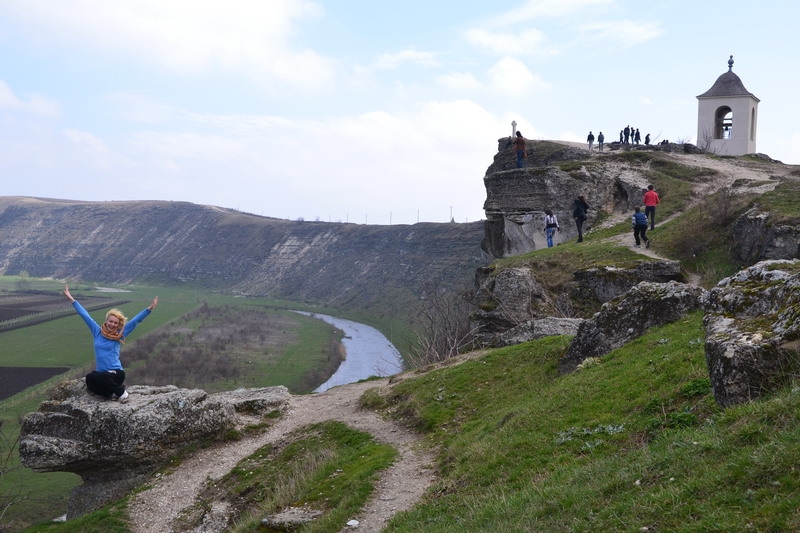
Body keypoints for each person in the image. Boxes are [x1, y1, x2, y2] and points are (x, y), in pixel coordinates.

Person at [63, 284, 158, 402]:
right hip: (102, 374)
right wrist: (71, 299)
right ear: (106, 321)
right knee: (89, 379)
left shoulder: (120, 334)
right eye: (111, 321)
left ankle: (122, 393)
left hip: (116, 374)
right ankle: (109, 393)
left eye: (116, 323)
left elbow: (135, 321)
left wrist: (149, 309)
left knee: (101, 377)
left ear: (118, 325)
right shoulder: (97, 332)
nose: (112, 324)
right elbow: (85, 315)